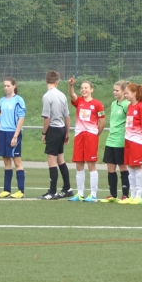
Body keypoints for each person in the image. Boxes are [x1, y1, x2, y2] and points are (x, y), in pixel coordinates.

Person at [67, 76, 105, 202]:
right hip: (79, 135)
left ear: (91, 90)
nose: (83, 90)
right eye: (82, 88)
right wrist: (71, 85)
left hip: (91, 136)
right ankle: (80, 193)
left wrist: (95, 134)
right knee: (79, 164)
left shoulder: (97, 104)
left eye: (86, 88)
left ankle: (93, 194)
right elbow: (72, 94)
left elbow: (102, 122)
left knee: (91, 164)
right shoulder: (78, 101)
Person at [41, 70, 72, 200]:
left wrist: (44, 133)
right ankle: (67, 188)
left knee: (51, 160)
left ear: (46, 81)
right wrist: (67, 132)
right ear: (57, 82)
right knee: (60, 160)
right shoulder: (62, 95)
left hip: (53, 129)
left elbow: (47, 118)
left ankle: (52, 191)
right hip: (61, 128)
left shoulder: (47, 96)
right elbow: (67, 115)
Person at [0, 77, 26, 199]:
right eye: (5, 86)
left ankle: (20, 191)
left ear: (14, 86)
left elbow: (21, 118)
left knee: (17, 162)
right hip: (2, 133)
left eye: (8, 85)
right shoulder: (1, 101)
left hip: (13, 133)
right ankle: (7, 190)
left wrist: (15, 136)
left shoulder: (18, 100)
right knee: (6, 162)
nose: (6, 88)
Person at [119, 83, 142, 204]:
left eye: (127, 93)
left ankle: (139, 195)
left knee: (137, 166)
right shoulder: (130, 106)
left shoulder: (141, 107)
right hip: (128, 139)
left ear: (135, 93)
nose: (125, 95)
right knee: (130, 166)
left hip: (137, 140)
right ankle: (132, 195)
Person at [101, 80, 131, 202]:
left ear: (124, 92)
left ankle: (125, 195)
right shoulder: (114, 104)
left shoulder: (127, 105)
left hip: (121, 141)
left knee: (123, 167)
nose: (114, 92)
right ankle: (113, 195)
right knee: (110, 168)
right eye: (113, 90)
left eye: (117, 90)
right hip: (111, 140)